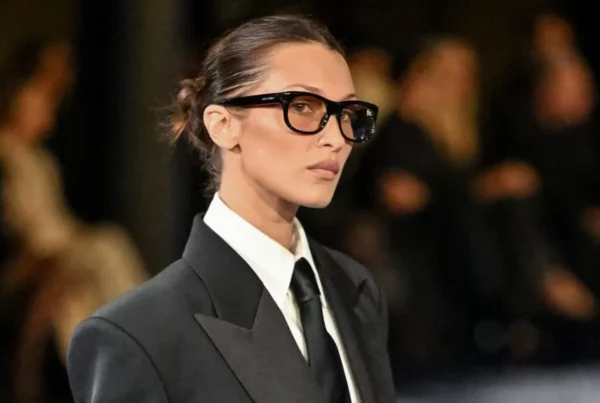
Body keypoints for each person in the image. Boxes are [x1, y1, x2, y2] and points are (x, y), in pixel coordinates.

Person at [66, 14, 395, 403]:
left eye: (348, 114)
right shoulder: (137, 335)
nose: (336, 138)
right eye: (302, 106)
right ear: (222, 124)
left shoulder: (355, 290)